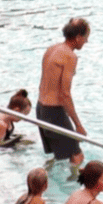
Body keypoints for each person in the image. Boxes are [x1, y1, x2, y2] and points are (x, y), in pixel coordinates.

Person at [37, 17, 89, 170]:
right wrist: (78, 125)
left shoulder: (52, 49)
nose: (86, 42)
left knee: (56, 154)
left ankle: (42, 181)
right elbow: (64, 94)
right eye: (86, 38)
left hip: (41, 109)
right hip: (53, 112)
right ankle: (73, 190)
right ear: (78, 37)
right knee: (77, 156)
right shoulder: (70, 56)